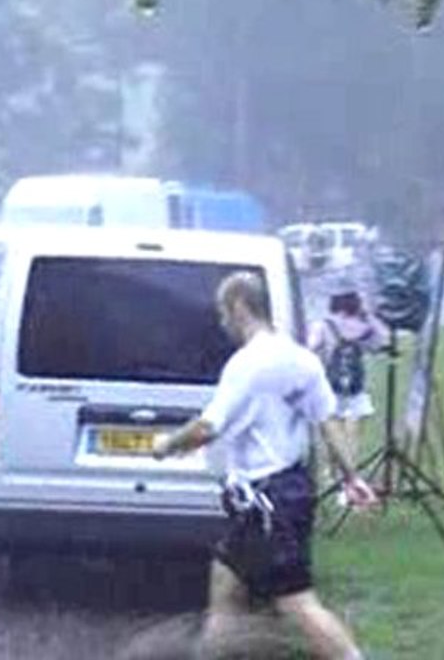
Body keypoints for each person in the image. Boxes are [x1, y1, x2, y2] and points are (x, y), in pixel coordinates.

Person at [152, 271, 377, 660]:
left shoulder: (247, 364)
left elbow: (208, 427)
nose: (223, 323)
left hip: (268, 504)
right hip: (280, 496)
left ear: (239, 306)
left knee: (298, 603)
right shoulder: (303, 360)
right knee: (225, 591)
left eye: (224, 313)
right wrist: (352, 477)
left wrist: (166, 445)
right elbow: (328, 423)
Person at [307, 283, 389, 505]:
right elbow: (383, 341)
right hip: (355, 391)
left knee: (332, 440)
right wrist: (369, 317)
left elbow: (310, 350)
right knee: (351, 441)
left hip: (328, 391)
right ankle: (349, 485)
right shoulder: (361, 327)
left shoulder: (323, 325)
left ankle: (332, 478)